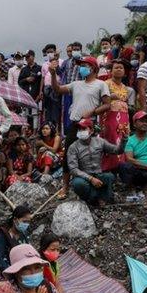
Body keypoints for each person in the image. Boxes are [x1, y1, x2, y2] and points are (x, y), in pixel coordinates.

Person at [48, 55, 110, 197]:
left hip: (90, 125)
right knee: (68, 155)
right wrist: (52, 75)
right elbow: (57, 89)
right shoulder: (76, 84)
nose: (81, 68)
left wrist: (93, 111)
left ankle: (93, 186)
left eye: (85, 65)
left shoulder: (101, 84)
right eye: (81, 65)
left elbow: (107, 104)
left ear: (93, 68)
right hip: (75, 124)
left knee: (91, 155)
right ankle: (65, 187)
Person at [66, 117, 120, 207]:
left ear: (91, 130)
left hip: (98, 174)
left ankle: (98, 198)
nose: (80, 131)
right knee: (78, 184)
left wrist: (124, 139)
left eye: (83, 129)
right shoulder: (73, 147)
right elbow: (73, 169)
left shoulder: (100, 141)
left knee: (110, 177)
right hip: (83, 177)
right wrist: (90, 179)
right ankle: (93, 199)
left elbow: (117, 150)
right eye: (79, 129)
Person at [100, 60, 136, 171]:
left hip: (124, 117)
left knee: (123, 138)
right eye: (116, 68)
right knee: (110, 138)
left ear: (125, 72)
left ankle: (120, 165)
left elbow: (131, 106)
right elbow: (101, 100)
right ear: (111, 71)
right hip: (109, 116)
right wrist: (111, 98)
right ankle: (108, 166)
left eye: (121, 68)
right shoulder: (105, 84)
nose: (119, 69)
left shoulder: (127, 88)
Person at [0, 205, 31, 276]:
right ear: (15, 220)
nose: (26, 224)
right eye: (24, 221)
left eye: (28, 222)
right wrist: (12, 273)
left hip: (21, 269)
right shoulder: (2, 235)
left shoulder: (24, 234)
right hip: (4, 271)